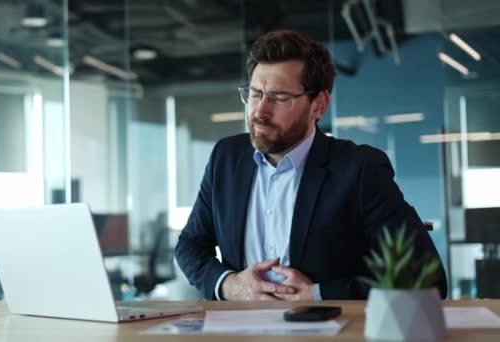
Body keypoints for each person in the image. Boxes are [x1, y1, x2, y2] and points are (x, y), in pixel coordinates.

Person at [174, 30, 447, 301]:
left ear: (319, 105)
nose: (260, 111)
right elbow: (190, 246)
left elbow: (426, 277)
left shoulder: (360, 169)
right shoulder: (227, 157)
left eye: (279, 97)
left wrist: (317, 294)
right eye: (255, 93)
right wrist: (228, 285)